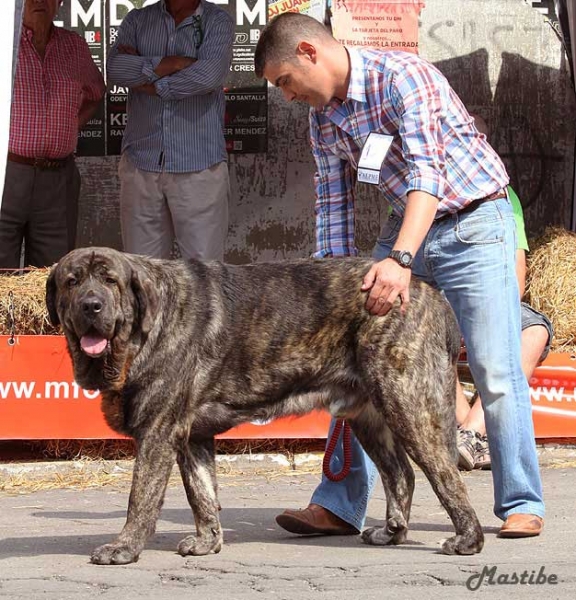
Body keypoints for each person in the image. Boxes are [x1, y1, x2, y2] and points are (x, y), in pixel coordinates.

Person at [255, 12, 544, 539]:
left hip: (474, 222)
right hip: (407, 229)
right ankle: (340, 504)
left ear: (309, 51)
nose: (287, 95)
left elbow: (428, 174)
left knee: (494, 370)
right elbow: (333, 203)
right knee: (344, 355)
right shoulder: (322, 119)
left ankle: (520, 503)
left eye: (285, 82)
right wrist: (332, 292)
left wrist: (402, 261)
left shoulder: (403, 77)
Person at [455, 114, 554, 471]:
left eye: (480, 142)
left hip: (490, 294)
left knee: (534, 328)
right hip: (442, 297)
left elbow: (517, 267)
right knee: (425, 331)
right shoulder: (419, 189)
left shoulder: (502, 192)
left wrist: (499, 317)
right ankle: (469, 430)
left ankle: (468, 434)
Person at [106, 0, 234, 262]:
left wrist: (151, 82)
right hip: (142, 163)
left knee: (203, 273)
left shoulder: (217, 20)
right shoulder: (137, 20)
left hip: (199, 165)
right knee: (142, 273)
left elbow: (208, 76)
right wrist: (174, 63)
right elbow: (115, 69)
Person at [0, 0, 105, 269]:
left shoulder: (75, 47)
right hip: (7, 173)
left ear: (59, 2)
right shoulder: (3, 42)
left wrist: (69, 126)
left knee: (53, 274)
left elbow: (95, 93)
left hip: (57, 179)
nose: (38, 1)